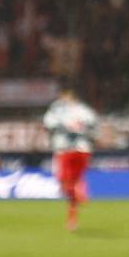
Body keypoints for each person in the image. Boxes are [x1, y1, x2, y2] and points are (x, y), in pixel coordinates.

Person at [42, 86, 98, 231]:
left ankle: (78, 189)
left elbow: (49, 123)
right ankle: (73, 215)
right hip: (81, 149)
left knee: (65, 180)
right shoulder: (86, 111)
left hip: (67, 150)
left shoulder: (58, 109)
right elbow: (94, 129)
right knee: (71, 184)